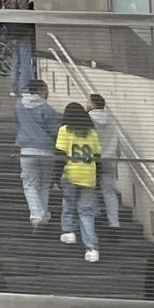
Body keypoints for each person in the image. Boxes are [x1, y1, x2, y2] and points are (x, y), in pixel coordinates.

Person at [53, 100, 102, 263]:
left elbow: (60, 155)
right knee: (86, 211)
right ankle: (92, 248)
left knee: (68, 202)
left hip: (71, 173)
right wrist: (98, 179)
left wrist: (55, 177)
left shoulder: (65, 130)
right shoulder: (92, 132)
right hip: (89, 175)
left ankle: (68, 232)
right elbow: (97, 157)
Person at [13, 78, 61, 228]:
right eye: (45, 89)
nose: (47, 93)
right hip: (47, 149)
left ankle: (37, 216)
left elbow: (18, 124)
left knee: (30, 184)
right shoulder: (47, 109)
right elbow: (54, 130)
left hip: (27, 149)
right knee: (45, 184)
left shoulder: (19, 105)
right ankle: (43, 215)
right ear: (39, 90)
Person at [86, 93, 124, 234]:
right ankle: (114, 223)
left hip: (94, 158)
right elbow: (117, 138)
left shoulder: (88, 118)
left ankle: (96, 213)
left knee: (90, 188)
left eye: (88, 102)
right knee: (109, 191)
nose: (86, 104)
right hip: (110, 158)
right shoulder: (111, 119)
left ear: (93, 104)